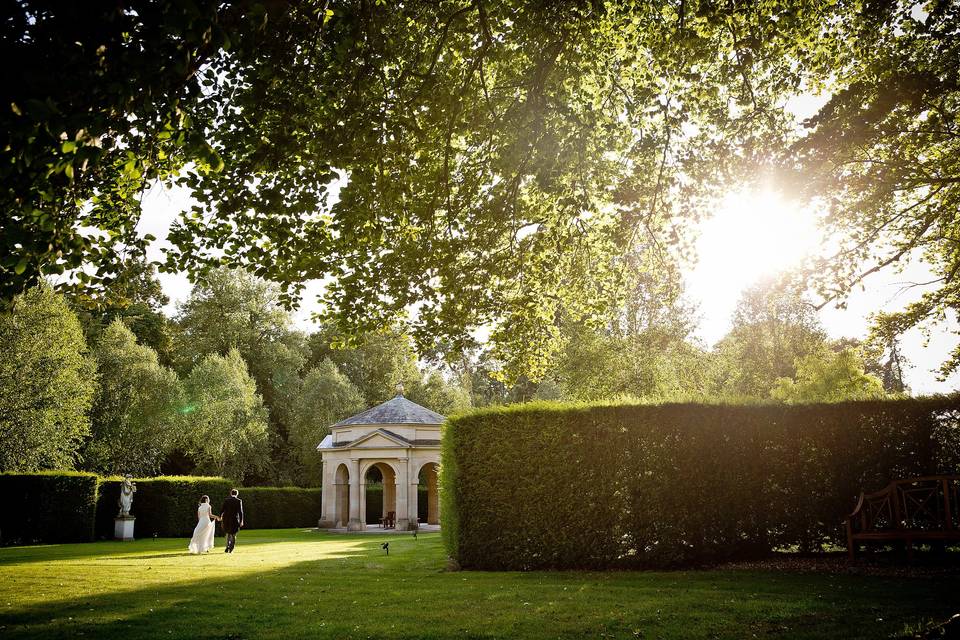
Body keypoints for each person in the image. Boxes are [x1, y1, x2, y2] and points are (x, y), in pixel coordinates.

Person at [220, 488, 244, 553]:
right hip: (235, 520)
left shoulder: (226, 500)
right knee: (234, 534)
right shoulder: (239, 501)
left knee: (228, 534)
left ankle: (227, 547)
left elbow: (222, 509)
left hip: (226, 519)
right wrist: (241, 521)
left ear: (231, 493)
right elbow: (240, 512)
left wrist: (220, 517)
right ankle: (231, 548)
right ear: (237, 494)